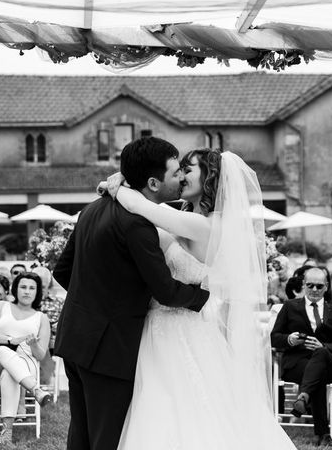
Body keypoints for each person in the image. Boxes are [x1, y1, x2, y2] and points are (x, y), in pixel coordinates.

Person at [105, 146, 295, 450]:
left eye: (188, 169)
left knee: (178, 405)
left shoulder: (211, 225)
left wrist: (118, 186)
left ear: (209, 178)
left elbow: (149, 211)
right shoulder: (186, 215)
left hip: (181, 326)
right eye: (179, 169)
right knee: (164, 403)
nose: (181, 176)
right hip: (165, 323)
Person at [53, 137, 210, 450]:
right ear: (153, 182)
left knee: (81, 436)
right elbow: (164, 290)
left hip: (76, 337)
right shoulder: (137, 224)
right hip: (108, 346)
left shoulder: (92, 209)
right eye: (175, 172)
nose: (181, 177)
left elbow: (61, 272)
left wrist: (96, 303)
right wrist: (202, 297)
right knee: (105, 439)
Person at [271, 266, 332, 446]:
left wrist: (323, 345)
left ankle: (304, 397)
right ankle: (322, 433)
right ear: (303, 285)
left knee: (320, 354)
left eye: (319, 286)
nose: (315, 290)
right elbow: (274, 337)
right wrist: (289, 339)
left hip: (328, 362)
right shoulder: (289, 306)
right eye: (310, 285)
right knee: (316, 376)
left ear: (326, 286)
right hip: (296, 363)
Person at [0, 272, 53, 446]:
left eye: (32, 288)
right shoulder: (1, 306)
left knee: (9, 372)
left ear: (37, 292)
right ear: (15, 289)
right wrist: (10, 340)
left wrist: (34, 344)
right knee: (4, 351)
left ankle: (6, 435)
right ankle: (35, 390)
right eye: (23, 287)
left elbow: (42, 356)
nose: (27, 291)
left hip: (25, 365)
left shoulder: (41, 318)